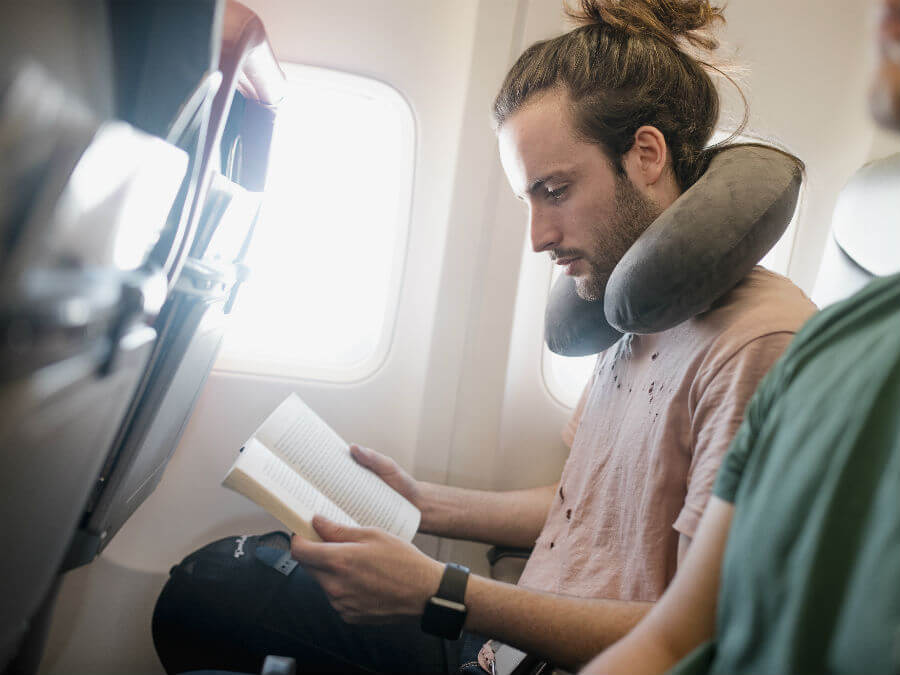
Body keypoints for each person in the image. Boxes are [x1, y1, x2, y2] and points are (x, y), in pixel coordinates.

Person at [151, 2, 815, 673]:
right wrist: (420, 503)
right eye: (530, 198)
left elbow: (705, 637)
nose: (539, 237)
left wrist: (445, 592)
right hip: (508, 650)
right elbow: (587, 507)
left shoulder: (755, 347)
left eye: (556, 190)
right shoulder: (633, 305)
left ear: (646, 154)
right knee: (207, 592)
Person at [580, 1, 900, 673]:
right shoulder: (834, 345)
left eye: (555, 189)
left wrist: (450, 593)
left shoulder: (774, 339)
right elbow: (673, 638)